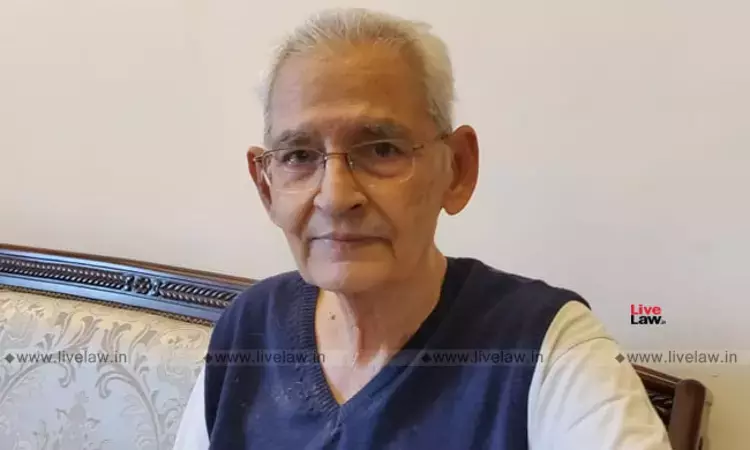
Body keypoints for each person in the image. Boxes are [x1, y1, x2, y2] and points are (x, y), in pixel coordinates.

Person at [175, 8, 672, 450]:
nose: (335, 196)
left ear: (456, 169)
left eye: (381, 149)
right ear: (266, 186)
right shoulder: (249, 328)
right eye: (299, 156)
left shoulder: (546, 348)